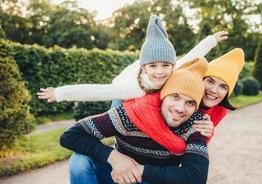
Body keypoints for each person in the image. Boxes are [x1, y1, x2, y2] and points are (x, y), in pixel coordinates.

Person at [37, 15, 228, 154]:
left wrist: (211, 40)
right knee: (119, 118)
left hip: (146, 87)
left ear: (172, 65)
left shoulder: (174, 70)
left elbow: (192, 55)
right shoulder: (132, 87)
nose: (160, 71)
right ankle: (119, 149)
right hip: (121, 92)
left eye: (165, 65)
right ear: (144, 67)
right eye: (153, 66)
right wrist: (60, 93)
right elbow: (96, 91)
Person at [60, 57, 209, 184]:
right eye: (175, 97)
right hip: (116, 182)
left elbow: (195, 180)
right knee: (80, 161)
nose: (180, 108)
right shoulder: (132, 114)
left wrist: (139, 170)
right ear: (163, 96)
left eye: (190, 103)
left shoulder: (196, 124)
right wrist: (113, 156)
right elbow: (70, 136)